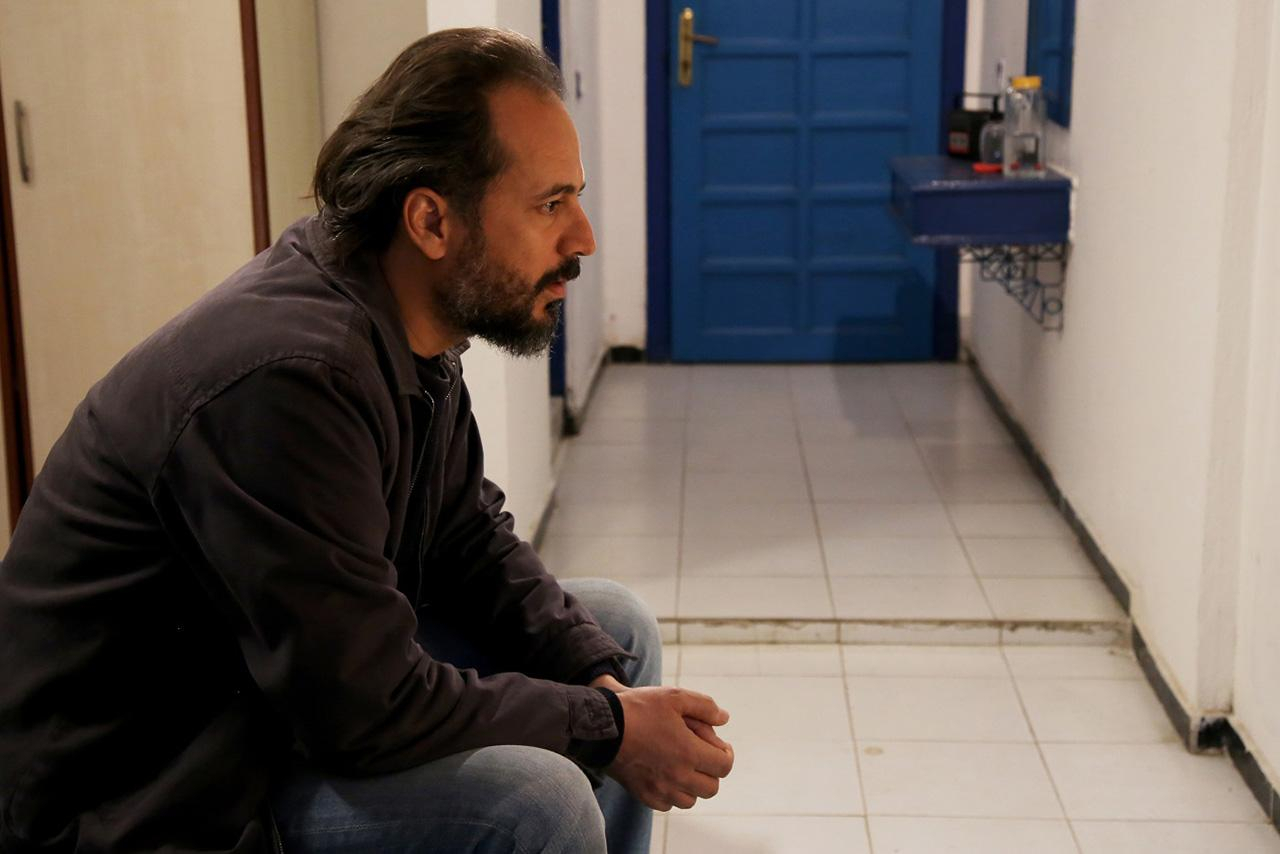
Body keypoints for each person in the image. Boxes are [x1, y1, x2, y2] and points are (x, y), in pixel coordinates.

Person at [0, 27, 733, 854]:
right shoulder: (292, 379)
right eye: (549, 204)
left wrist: (601, 691)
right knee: (539, 801)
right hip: (152, 783)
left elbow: (464, 535)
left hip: (265, 692)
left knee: (613, 632)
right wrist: (605, 727)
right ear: (431, 220)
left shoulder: (401, 318)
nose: (583, 239)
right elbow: (363, 706)